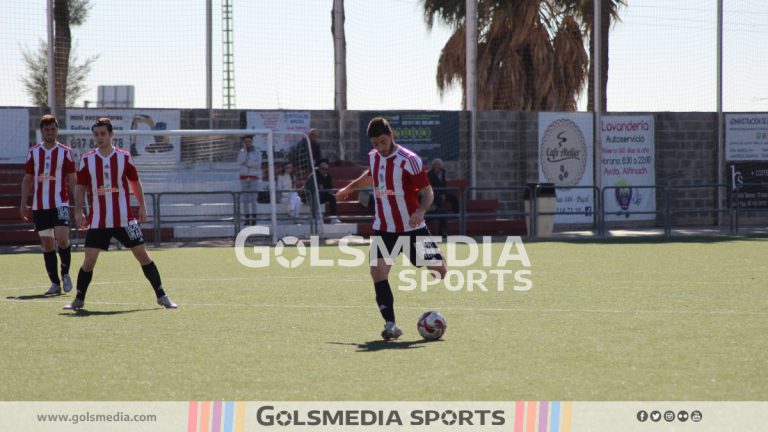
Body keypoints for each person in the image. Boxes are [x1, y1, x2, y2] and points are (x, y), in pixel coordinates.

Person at [336, 117, 447, 340]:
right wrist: (349, 188)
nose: (380, 148)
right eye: (375, 144)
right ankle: (390, 325)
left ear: (392, 136)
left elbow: (428, 191)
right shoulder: (374, 158)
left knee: (439, 273)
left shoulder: (410, 160)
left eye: (383, 142)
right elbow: (370, 176)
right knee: (377, 272)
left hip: (412, 227)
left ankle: (438, 258)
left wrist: (421, 211)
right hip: (384, 228)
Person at [64, 117, 177, 311]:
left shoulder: (124, 156)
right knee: (89, 261)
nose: (99, 138)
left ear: (111, 135)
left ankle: (162, 295)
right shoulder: (87, 159)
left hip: (125, 219)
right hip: (98, 221)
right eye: (96, 134)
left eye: (103, 134)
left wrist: (142, 206)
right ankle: (79, 299)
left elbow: (135, 181)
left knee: (143, 256)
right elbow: (81, 187)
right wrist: (78, 210)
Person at [20, 114, 77, 295]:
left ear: (57, 130)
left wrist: (78, 206)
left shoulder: (65, 152)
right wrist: (23, 203)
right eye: (46, 129)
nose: (50, 132)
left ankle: (66, 272)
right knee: (47, 244)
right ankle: (55, 284)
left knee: (62, 238)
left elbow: (72, 179)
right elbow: (28, 179)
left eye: (53, 129)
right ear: (41, 131)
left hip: (60, 203)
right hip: (40, 206)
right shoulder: (34, 152)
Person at [427, 158, 460, 236]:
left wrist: (444, 194)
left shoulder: (443, 172)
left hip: (442, 193)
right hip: (434, 194)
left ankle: (456, 215)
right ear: (433, 165)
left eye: (439, 165)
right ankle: (439, 213)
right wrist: (439, 194)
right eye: (436, 165)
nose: (438, 166)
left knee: (453, 197)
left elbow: (444, 184)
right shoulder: (429, 174)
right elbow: (430, 186)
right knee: (438, 199)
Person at [237, 135, 263, 225]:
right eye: (246, 142)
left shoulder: (257, 152)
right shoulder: (241, 152)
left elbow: (258, 164)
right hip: (244, 177)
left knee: (253, 199)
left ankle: (254, 218)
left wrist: (247, 164)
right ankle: (247, 218)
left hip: (253, 177)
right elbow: (240, 161)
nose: (248, 143)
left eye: (249, 142)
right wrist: (244, 151)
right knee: (245, 199)